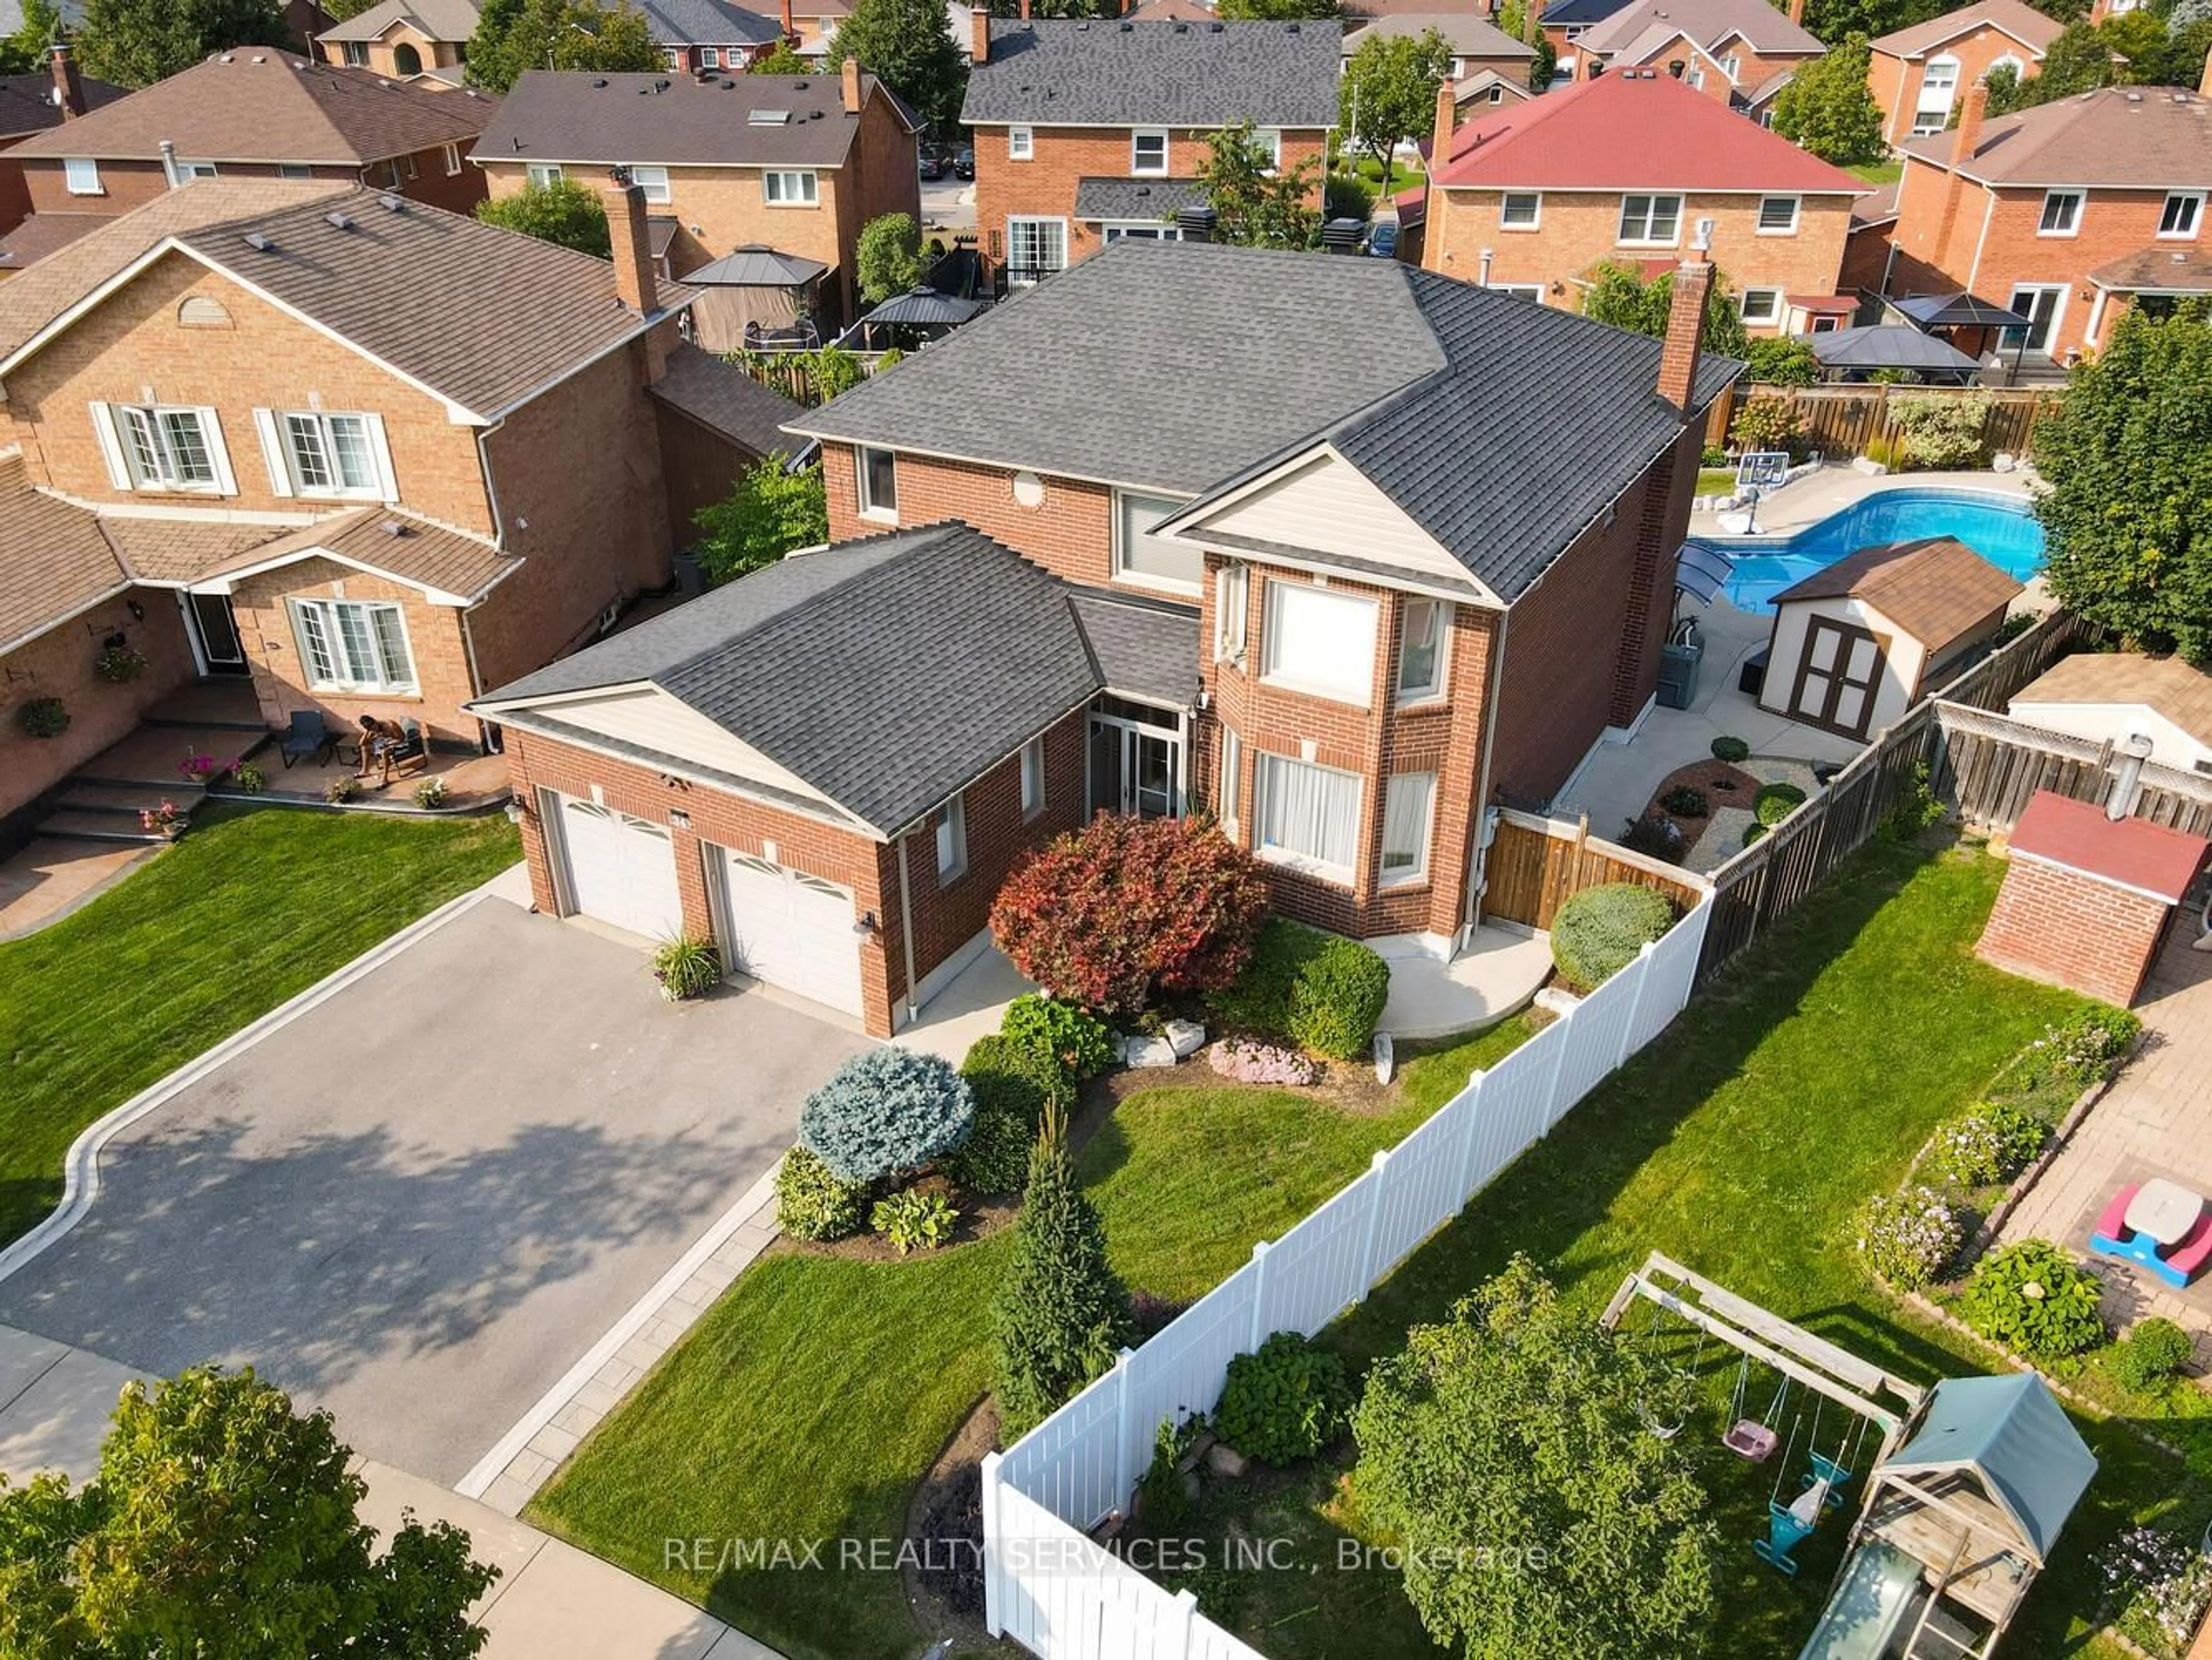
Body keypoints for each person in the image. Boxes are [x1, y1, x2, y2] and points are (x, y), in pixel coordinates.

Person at [356, 714, 405, 780]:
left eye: (374, 728)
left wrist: (388, 744)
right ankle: (365, 771)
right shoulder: (371, 730)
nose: (375, 730)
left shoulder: (390, 725)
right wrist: (367, 732)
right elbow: (361, 744)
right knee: (365, 747)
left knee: (384, 752)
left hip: (398, 743)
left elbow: (401, 738)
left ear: (375, 722)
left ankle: (385, 779)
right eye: (371, 729)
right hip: (385, 742)